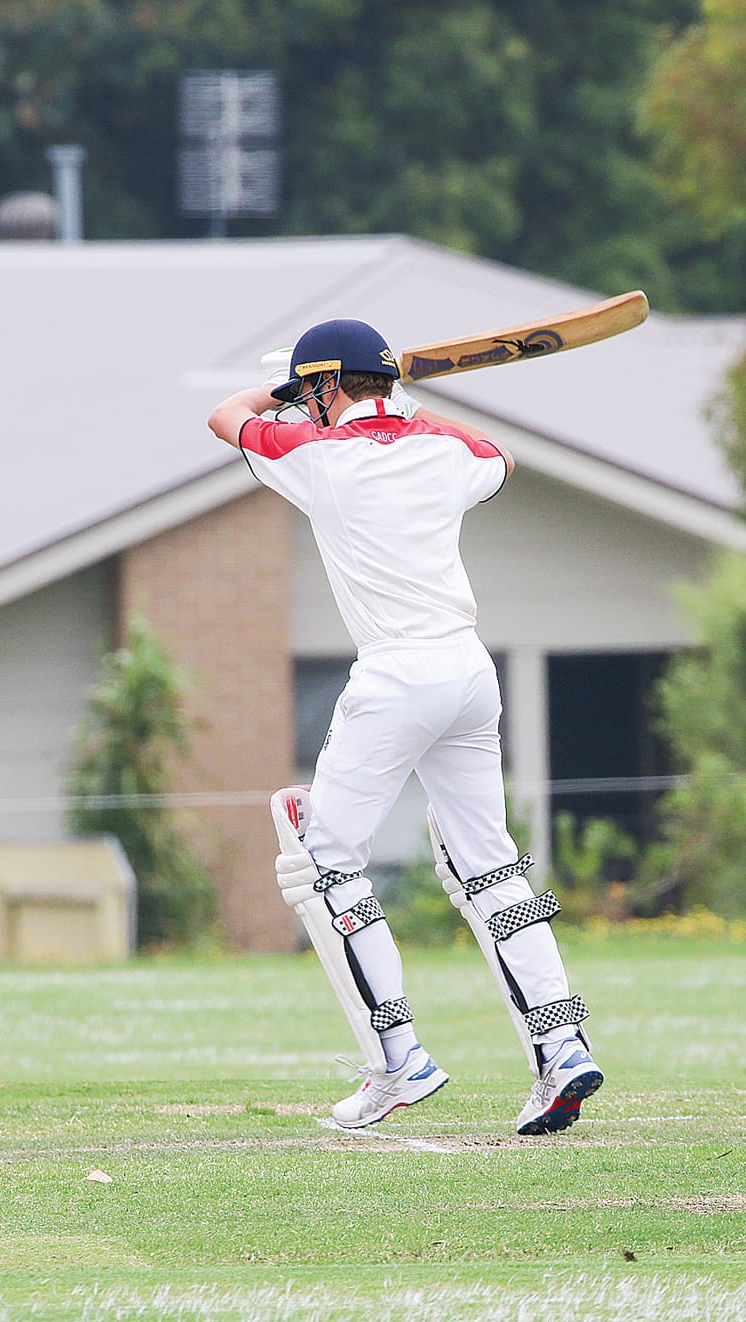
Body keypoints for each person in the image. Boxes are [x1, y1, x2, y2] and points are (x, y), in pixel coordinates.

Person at [207, 319, 600, 1135]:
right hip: (469, 671)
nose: (302, 405)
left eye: (310, 391)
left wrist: (281, 393)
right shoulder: (447, 448)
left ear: (327, 383)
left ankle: (398, 1060)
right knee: (491, 869)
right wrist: (398, 401)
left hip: (394, 675)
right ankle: (561, 1047)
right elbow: (501, 458)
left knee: (321, 862)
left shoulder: (315, 456)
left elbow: (225, 415)